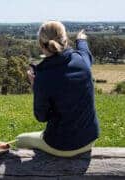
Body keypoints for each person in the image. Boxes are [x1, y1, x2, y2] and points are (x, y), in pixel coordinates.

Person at [16, 21, 100, 157]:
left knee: (20, 140)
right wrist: (80, 39)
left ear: (40, 44)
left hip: (60, 145)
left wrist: (35, 87)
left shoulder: (42, 76)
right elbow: (84, 51)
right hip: (89, 139)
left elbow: (41, 116)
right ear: (65, 40)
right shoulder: (81, 61)